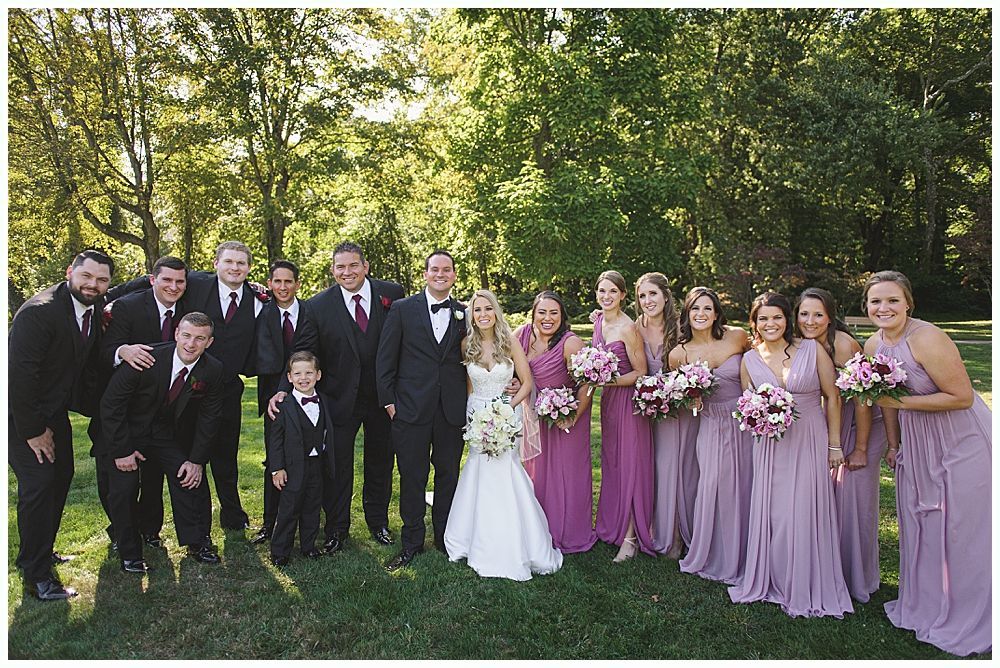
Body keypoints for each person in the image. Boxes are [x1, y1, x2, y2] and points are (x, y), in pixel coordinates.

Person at [864, 271, 991, 656]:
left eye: (892, 300)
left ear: (908, 303)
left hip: (958, 440)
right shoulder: (873, 344)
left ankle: (973, 611)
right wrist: (893, 442)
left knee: (960, 526)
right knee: (923, 522)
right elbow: (881, 396)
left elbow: (962, 396)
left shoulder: (926, 338)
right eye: (875, 302)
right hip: (917, 442)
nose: (883, 308)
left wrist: (897, 405)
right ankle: (930, 604)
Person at [728, 292, 852, 618]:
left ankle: (805, 581)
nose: (771, 324)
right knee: (775, 513)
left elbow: (833, 398)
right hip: (770, 445)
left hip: (810, 437)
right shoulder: (749, 360)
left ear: (788, 319)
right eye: (763, 318)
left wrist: (835, 445)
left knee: (803, 508)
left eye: (777, 317)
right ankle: (774, 578)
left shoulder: (812, 350)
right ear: (753, 323)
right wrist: (759, 415)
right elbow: (746, 405)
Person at [276, 242, 405, 554]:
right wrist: (284, 386)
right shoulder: (318, 306)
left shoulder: (393, 294)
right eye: (340, 267)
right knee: (336, 467)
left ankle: (378, 522)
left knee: (381, 463)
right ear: (333, 270)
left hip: (382, 399)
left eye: (353, 266)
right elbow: (303, 350)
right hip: (337, 400)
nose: (347, 272)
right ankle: (336, 528)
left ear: (366, 266)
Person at [9, 250, 114, 600]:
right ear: (70, 272)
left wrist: (149, 279)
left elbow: (130, 289)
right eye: (86, 276)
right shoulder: (39, 313)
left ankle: (37, 552)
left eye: (101, 280)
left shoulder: (92, 307)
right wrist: (33, 431)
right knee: (39, 484)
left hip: (53, 411)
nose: (93, 284)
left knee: (61, 476)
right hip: (18, 413)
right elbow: (19, 378)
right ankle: (37, 577)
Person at [444, 290, 562, 580]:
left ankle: (515, 542)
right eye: (477, 310)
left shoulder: (509, 342)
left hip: (506, 415)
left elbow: (527, 383)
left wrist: (505, 411)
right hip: (476, 415)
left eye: (487, 308)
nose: (483, 314)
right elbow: (471, 386)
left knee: (506, 472)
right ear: (471, 315)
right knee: (477, 471)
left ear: (495, 311)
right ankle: (469, 540)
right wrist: (474, 416)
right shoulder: (466, 345)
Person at [99, 313, 225, 570]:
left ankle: (198, 542)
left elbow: (209, 418)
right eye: (187, 336)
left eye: (200, 339)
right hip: (124, 432)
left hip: (162, 435)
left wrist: (196, 460)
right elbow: (111, 405)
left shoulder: (212, 370)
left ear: (209, 342)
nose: (191, 344)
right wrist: (122, 450)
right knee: (123, 488)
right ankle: (130, 553)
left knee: (189, 476)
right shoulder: (146, 359)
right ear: (176, 333)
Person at [376, 250, 467, 571]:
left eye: (447, 270)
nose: (441, 274)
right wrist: (389, 403)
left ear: (454, 275)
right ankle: (412, 541)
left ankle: (445, 538)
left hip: (451, 412)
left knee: (448, 476)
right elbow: (385, 359)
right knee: (412, 477)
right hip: (409, 411)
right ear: (426, 274)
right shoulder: (402, 310)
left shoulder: (465, 313)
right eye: (435, 269)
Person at [795, 287, 886, 603]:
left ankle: (861, 578)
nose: (810, 320)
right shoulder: (804, 345)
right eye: (804, 313)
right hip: (832, 422)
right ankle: (836, 571)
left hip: (864, 425)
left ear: (831, 316)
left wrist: (860, 448)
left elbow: (863, 400)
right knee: (834, 497)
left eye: (818, 314)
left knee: (855, 496)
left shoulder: (844, 345)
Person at [94, 255, 190, 551]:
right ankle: (122, 531)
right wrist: (123, 350)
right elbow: (103, 351)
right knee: (115, 479)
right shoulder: (127, 307)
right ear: (152, 280)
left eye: (179, 281)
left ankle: (149, 530)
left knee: (152, 477)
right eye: (166, 280)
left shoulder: (189, 312)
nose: (173, 287)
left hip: (162, 412)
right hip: (121, 406)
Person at [178, 241, 265, 530]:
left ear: (249, 268)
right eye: (229, 262)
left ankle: (232, 516)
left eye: (241, 263)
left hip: (228, 390)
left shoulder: (257, 299)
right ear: (216, 263)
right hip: (189, 390)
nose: (235, 268)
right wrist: (112, 299)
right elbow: (153, 279)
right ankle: (196, 524)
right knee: (193, 456)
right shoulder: (195, 284)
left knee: (226, 457)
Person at [675, 287, 752, 583]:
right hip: (710, 423)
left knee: (746, 483)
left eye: (707, 308)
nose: (701, 314)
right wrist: (688, 397)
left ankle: (747, 552)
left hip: (742, 421)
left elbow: (762, 362)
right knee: (714, 483)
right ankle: (715, 552)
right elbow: (678, 392)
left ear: (717, 313)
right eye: (695, 309)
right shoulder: (679, 353)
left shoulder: (737, 337)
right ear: (687, 314)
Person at [515, 291, 597, 553]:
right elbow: (511, 366)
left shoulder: (570, 344)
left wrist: (572, 415)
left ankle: (568, 532)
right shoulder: (523, 335)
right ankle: (536, 529)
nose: (547, 318)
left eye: (554, 313)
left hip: (566, 419)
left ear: (562, 317)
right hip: (534, 418)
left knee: (567, 476)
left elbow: (588, 383)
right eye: (542, 312)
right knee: (535, 474)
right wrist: (515, 382)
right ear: (533, 313)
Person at [251, 260, 318, 546]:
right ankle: (271, 521)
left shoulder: (309, 313)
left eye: (288, 281)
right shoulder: (261, 313)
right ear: (269, 284)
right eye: (277, 281)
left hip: (304, 391)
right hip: (273, 399)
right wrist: (277, 393)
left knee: (306, 457)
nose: (282, 287)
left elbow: (304, 352)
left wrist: (287, 387)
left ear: (297, 284)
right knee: (275, 458)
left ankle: (308, 518)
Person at [592, 270, 655, 562]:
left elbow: (641, 372)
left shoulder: (629, 328)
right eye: (602, 291)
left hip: (629, 403)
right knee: (614, 463)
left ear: (623, 295)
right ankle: (613, 527)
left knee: (630, 465)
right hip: (609, 403)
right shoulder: (599, 322)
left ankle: (631, 538)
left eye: (612, 292)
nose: (606, 297)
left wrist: (606, 381)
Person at [632, 273, 684, 558]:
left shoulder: (681, 327)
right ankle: (645, 528)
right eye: (642, 296)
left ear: (666, 295)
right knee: (645, 467)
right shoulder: (635, 327)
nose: (648, 301)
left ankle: (673, 536)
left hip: (674, 412)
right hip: (641, 410)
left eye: (653, 294)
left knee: (669, 468)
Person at [268, 351, 336, 566]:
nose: (303, 378)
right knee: (289, 509)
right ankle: (280, 551)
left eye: (308, 373)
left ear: (318, 375)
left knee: (312, 507)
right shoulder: (283, 406)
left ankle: (309, 546)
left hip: (317, 464)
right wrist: (277, 468)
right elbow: (275, 441)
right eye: (297, 373)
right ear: (289, 377)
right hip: (292, 466)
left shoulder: (324, 401)